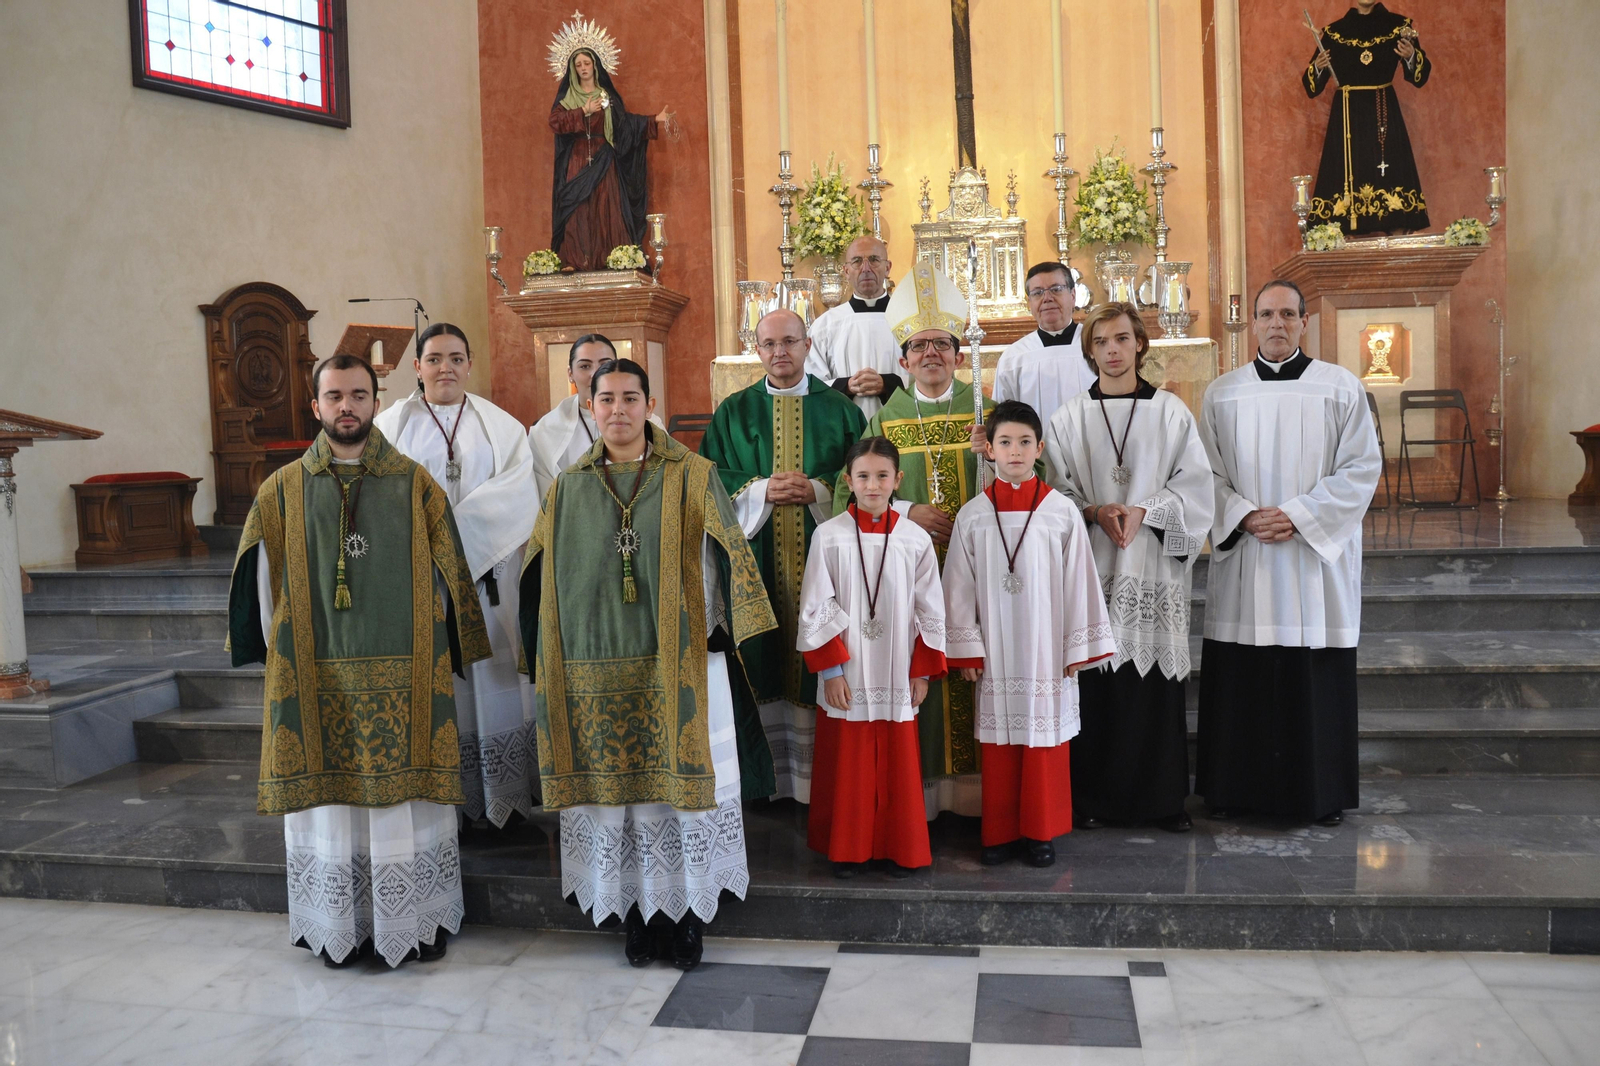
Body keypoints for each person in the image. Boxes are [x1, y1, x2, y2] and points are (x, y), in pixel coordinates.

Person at [227, 354, 490, 968]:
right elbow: (262, 585)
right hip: (317, 677)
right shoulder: (282, 490)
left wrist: (455, 645)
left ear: (377, 403)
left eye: (359, 396)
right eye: (335, 396)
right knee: (333, 814)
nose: (347, 407)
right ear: (315, 406)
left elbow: (451, 576)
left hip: (408, 679)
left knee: (409, 808)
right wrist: (283, 655)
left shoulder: (414, 483)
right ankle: (337, 927)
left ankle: (417, 921)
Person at [519, 358, 776, 970]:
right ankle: (636, 914)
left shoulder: (692, 474)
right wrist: (546, 659)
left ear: (649, 403)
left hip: (681, 659)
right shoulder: (568, 487)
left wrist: (718, 627)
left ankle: (686, 918)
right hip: (595, 669)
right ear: (588, 406)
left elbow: (723, 553)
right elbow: (542, 575)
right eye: (605, 399)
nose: (617, 410)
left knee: (678, 796)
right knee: (621, 797)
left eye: (630, 398)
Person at [1197, 280, 1382, 826]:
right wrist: (1242, 515)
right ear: (1251, 324)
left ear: (1305, 321)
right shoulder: (1222, 393)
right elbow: (1203, 473)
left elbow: (1360, 469)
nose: (1276, 324)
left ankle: (1317, 794)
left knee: (1310, 676)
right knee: (1243, 672)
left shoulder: (1339, 387)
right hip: (1248, 553)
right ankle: (1233, 791)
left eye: (1287, 314)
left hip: (1311, 564)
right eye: (1265, 315)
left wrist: (1299, 515)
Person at [1044, 303, 1214, 833]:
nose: (1112, 350)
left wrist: (1147, 510)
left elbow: (1196, 487)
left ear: (1140, 344)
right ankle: (1093, 799)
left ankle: (1162, 801)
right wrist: (1094, 511)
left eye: (1122, 339)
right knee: (1097, 686)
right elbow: (1053, 491)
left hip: (1150, 564)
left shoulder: (1170, 412)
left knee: (1151, 685)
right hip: (1092, 567)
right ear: (1089, 349)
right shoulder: (1068, 417)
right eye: (1101, 342)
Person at [837, 261, 994, 816]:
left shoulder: (989, 415)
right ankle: (923, 802)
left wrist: (992, 460)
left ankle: (981, 801)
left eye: (941, 344)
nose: (931, 354)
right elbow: (847, 495)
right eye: (919, 345)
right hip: (909, 577)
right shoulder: (884, 422)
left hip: (981, 576)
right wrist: (905, 510)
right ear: (902, 360)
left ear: (956, 353)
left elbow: (1032, 484)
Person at [373, 322, 541, 829]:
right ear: (418, 367)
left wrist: (454, 534)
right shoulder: (389, 427)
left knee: (491, 680)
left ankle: (503, 803)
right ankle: (441, 799)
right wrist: (431, 546)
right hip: (420, 579)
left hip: (487, 579)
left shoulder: (502, 426)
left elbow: (519, 491)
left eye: (456, 358)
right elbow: (378, 492)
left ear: (470, 365)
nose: (445, 367)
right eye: (434, 358)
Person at [699, 308, 867, 803]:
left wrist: (817, 489)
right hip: (754, 560)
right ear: (757, 348)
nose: (780, 353)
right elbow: (709, 476)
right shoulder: (734, 410)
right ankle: (764, 782)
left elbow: (865, 473)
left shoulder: (839, 408)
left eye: (790, 342)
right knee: (760, 654)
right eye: (769, 344)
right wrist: (758, 490)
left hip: (824, 559)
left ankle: (822, 782)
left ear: (808, 344)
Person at [945, 401, 1116, 867]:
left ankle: (1041, 831)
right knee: (1000, 744)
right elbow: (958, 585)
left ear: (1039, 449)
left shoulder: (1060, 512)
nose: (1015, 451)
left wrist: (1078, 645)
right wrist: (966, 650)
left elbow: (1081, 579)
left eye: (1024, 442)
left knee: (1044, 741)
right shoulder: (974, 515)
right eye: (1005, 442)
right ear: (990, 451)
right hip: (996, 648)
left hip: (1047, 645)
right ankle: (998, 831)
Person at [799, 437, 946, 877]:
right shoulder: (829, 536)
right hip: (850, 669)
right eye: (863, 476)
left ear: (897, 480)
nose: (873, 484)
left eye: (883, 475)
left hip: (899, 667)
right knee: (851, 760)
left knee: (898, 759)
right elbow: (815, 605)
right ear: (848, 481)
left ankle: (901, 847)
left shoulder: (914, 538)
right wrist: (831, 670)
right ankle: (848, 849)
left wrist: (922, 671)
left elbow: (931, 609)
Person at [1304, 1, 1431, 234]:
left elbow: (1418, 77)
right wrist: (1319, 66)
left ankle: (1391, 234)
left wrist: (1412, 55)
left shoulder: (1399, 26)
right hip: (1346, 115)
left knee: (1387, 171)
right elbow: (1311, 86)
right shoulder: (1333, 32)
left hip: (1383, 113)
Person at [549, 45, 674, 271]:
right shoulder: (568, 98)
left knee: (607, 206)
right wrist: (582, 111)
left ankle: (613, 258)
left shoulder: (606, 96)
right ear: (573, 70)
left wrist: (654, 119)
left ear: (595, 66)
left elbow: (623, 125)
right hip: (577, 159)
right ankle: (574, 260)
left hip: (604, 157)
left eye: (587, 63)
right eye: (578, 65)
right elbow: (555, 123)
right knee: (578, 208)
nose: (583, 68)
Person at [529, 333, 664, 500]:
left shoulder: (650, 423)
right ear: (570, 374)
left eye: (605, 364)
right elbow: (546, 500)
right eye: (585, 366)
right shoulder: (545, 432)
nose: (595, 373)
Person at [805, 235, 904, 419]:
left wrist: (886, 385)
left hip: (900, 425)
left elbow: (925, 379)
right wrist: (847, 386)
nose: (866, 269)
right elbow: (810, 383)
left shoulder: (909, 320)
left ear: (888, 267)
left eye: (874, 260)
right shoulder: (825, 326)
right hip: (845, 426)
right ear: (846, 270)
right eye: (857, 261)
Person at [992, 262, 1096, 422]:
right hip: (1037, 447)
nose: (1047, 298)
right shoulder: (1014, 358)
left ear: (1073, 295)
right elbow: (1002, 420)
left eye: (1056, 289)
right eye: (1037, 293)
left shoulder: (1097, 343)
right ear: (1029, 303)